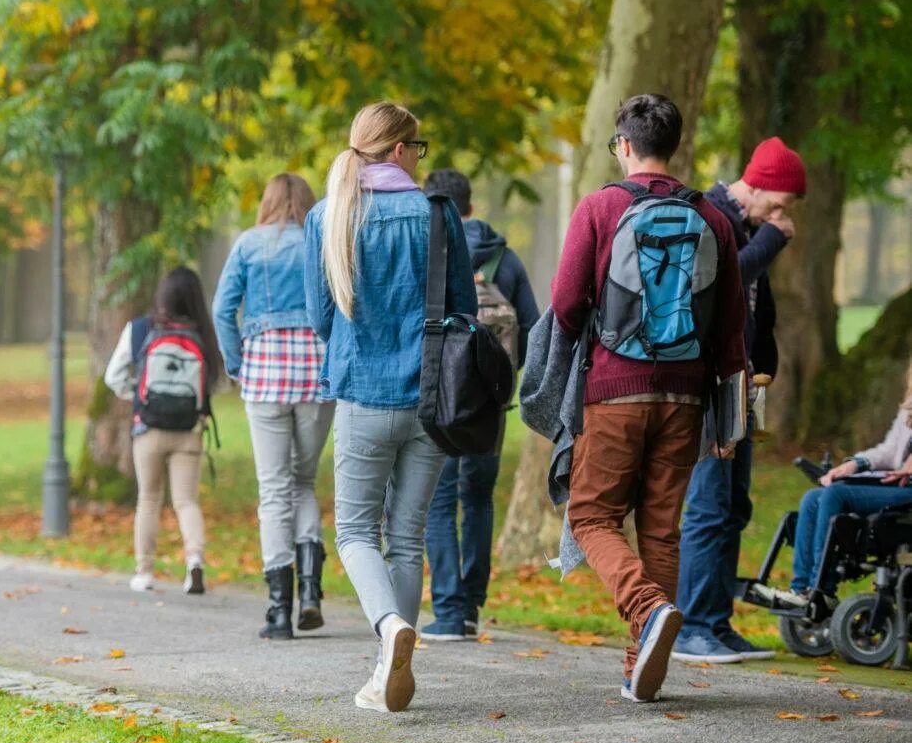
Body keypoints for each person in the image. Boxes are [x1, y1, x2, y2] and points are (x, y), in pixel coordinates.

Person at [551, 94, 746, 704]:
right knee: (661, 529)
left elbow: (563, 303)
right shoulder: (714, 219)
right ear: (675, 147)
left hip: (615, 389)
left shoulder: (601, 207)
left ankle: (647, 606)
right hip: (688, 394)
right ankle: (644, 663)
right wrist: (728, 412)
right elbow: (731, 326)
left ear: (625, 145)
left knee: (591, 516)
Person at [304, 101, 476, 712]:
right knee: (406, 537)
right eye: (418, 147)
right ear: (400, 151)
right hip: (431, 399)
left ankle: (388, 630)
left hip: (362, 395)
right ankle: (388, 668)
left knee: (354, 531)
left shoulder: (328, 216)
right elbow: (463, 310)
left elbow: (321, 318)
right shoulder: (439, 214)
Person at [673, 137, 806, 664]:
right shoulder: (713, 217)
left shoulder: (751, 226)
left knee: (734, 506)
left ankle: (717, 622)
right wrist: (772, 238)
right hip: (707, 384)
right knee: (707, 505)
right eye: (779, 204)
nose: (782, 217)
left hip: (743, 384)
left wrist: (765, 360)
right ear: (757, 185)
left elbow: (758, 304)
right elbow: (723, 283)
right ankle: (691, 629)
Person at [212, 174, 336, 641]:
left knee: (273, 489)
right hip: (315, 374)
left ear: (265, 202)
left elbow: (223, 310)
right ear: (306, 203)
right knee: (303, 481)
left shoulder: (248, 244)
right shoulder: (321, 242)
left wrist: (236, 364)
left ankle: (279, 612)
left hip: (264, 376)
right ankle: (309, 593)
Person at [418, 168, 539, 641]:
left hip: (441, 401)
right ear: (468, 206)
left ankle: (447, 612)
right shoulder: (504, 257)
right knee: (479, 498)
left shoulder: (431, 250)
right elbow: (530, 324)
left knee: (440, 499)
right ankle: (471, 607)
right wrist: (500, 381)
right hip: (490, 404)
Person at [104, 266, 223, 595]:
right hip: (189, 431)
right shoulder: (204, 335)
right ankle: (194, 562)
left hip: (148, 428)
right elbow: (218, 383)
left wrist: (138, 396)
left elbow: (113, 376)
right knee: (186, 501)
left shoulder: (140, 328)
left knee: (149, 499)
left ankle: (144, 572)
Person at [756, 359, 912, 605]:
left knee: (834, 495)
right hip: (894, 483)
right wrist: (854, 464)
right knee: (813, 498)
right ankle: (801, 587)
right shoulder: (908, 411)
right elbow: (888, 451)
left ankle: (821, 588)